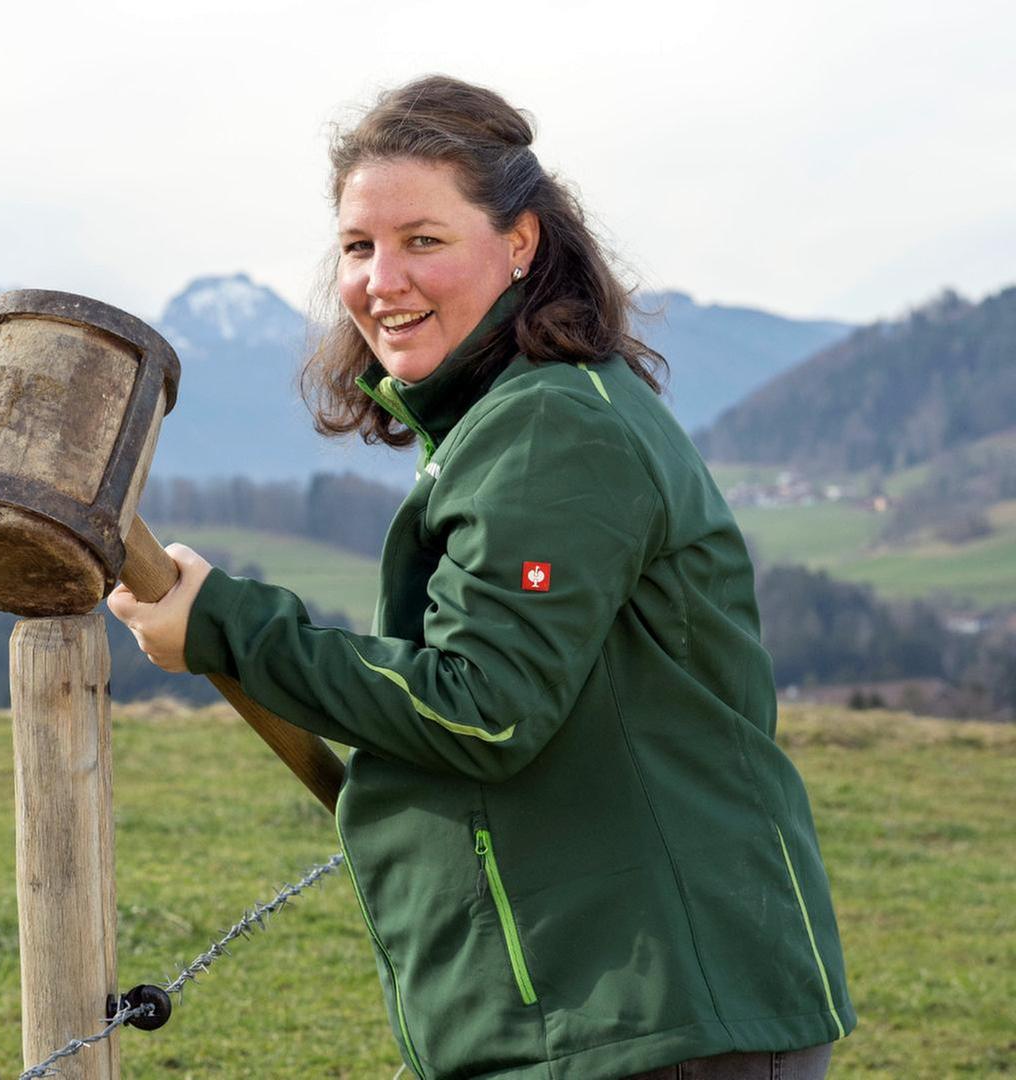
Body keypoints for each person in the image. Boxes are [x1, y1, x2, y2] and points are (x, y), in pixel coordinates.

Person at [107, 75, 854, 1080]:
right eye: (358, 248)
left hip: (659, 1016)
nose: (381, 280)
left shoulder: (554, 425)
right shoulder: (511, 423)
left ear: (521, 244)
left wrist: (228, 629)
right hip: (599, 1012)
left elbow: (486, 708)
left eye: (424, 239)